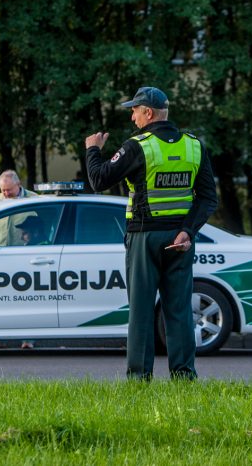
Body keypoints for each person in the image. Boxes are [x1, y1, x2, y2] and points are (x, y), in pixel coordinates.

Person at [84, 86, 218, 380]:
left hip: (144, 238)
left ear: (148, 112)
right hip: (179, 241)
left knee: (142, 312)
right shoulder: (193, 146)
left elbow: (98, 180)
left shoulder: (138, 146)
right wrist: (187, 231)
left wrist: (93, 149)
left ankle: (139, 379)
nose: (132, 117)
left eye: (134, 110)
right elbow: (209, 197)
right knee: (180, 310)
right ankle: (184, 376)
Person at [0, 169, 38, 350]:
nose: (6, 194)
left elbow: (42, 228)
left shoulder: (34, 200)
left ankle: (28, 340)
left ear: (19, 185)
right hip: (0, 257)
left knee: (27, 301)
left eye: (9, 190)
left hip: (25, 258)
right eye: (3, 190)